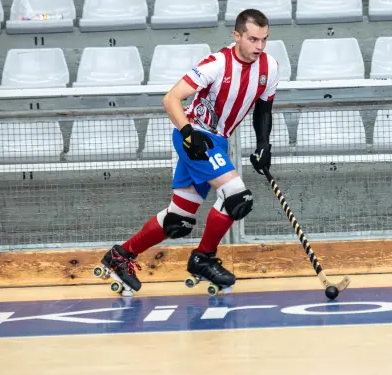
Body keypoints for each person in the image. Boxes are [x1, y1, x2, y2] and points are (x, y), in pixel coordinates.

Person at [99, 8, 280, 294]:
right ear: (237, 36)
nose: (259, 46)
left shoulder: (269, 67)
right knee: (238, 197)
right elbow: (171, 98)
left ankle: (121, 256)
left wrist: (263, 145)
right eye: (253, 39)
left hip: (218, 141)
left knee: (178, 220)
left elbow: (264, 108)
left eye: (264, 40)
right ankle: (203, 258)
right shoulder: (217, 63)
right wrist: (188, 133)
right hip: (195, 139)